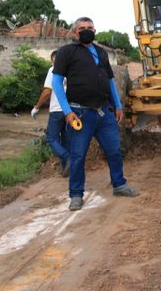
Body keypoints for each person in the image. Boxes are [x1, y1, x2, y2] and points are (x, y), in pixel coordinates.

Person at [52, 17, 138, 211]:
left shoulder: (101, 53)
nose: (86, 31)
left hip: (104, 112)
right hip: (80, 113)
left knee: (114, 151)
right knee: (78, 156)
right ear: (74, 32)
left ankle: (119, 184)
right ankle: (76, 195)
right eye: (82, 28)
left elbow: (109, 82)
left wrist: (117, 106)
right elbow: (57, 83)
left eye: (90, 28)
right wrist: (67, 112)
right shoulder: (66, 52)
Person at [31, 50, 70, 177]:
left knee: (51, 138)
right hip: (70, 111)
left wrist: (36, 107)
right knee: (65, 139)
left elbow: (47, 92)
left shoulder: (53, 70)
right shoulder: (71, 71)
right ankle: (66, 170)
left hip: (57, 110)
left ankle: (67, 157)